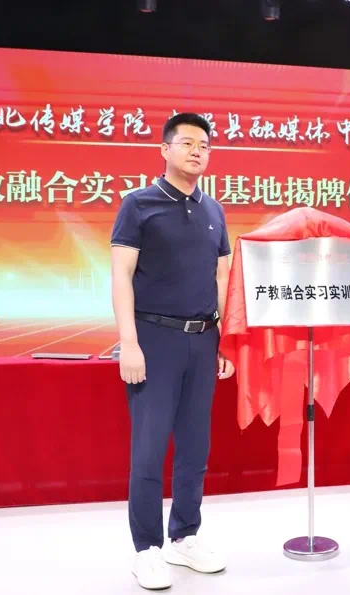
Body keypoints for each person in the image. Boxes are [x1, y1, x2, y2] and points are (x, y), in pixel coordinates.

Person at [110, 112, 235, 591]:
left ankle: (185, 535)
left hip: (203, 340)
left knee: (195, 445)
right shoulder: (139, 204)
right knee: (149, 448)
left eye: (204, 145)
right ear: (165, 149)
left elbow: (222, 278)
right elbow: (121, 275)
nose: (197, 151)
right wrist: (129, 343)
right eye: (187, 143)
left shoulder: (213, 210)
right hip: (154, 339)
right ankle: (147, 549)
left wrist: (226, 340)